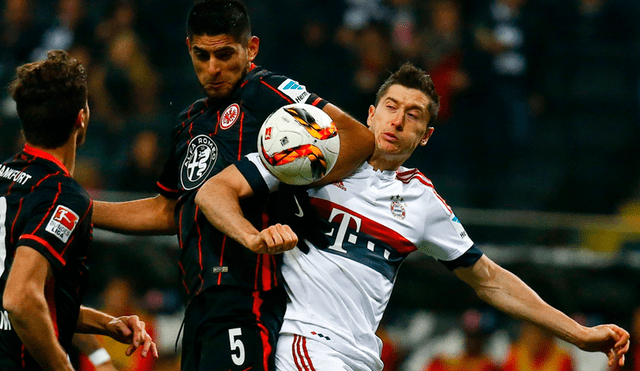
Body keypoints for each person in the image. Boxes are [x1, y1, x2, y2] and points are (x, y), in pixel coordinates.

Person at [195, 62, 631, 370]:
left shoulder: (422, 203)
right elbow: (212, 193)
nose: (398, 120)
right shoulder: (313, 153)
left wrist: (577, 334)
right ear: (370, 112)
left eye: (414, 114)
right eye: (390, 106)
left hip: (363, 356)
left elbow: (490, 279)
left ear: (426, 136)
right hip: (303, 342)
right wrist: (253, 236)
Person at [90, 1, 374, 370]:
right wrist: (83, 210)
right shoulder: (189, 120)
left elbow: (357, 138)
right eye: (201, 55)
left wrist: (278, 171)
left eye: (224, 54)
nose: (212, 68)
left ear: (251, 48)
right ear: (188, 48)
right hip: (199, 301)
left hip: (249, 295)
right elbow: (169, 210)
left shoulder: (269, 92)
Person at [0, 50, 158, 370]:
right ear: (81, 117)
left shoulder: (5, 177)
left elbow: (32, 296)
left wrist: (107, 324)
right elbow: (19, 300)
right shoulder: (63, 196)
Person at [502, 321, 575, 371]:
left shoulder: (562, 359)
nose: (533, 339)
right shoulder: (514, 357)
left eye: (536, 333)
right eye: (529, 333)